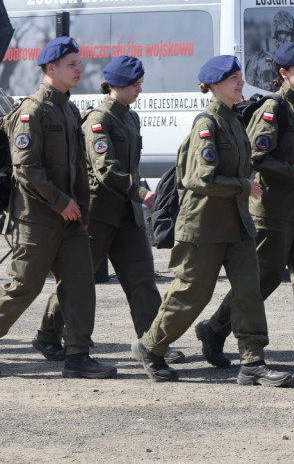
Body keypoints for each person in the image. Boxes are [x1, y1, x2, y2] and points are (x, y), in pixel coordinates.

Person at [131, 55, 292, 387]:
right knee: (192, 293)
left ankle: (253, 362)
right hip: (203, 226)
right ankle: (150, 346)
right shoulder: (208, 124)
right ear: (215, 85)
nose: (240, 82)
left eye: (239, 76)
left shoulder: (234, 120)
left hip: (236, 223)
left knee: (249, 291)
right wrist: (243, 185)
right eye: (233, 78)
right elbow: (199, 179)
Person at [0, 37, 116, 380]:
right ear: (51, 69)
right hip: (37, 218)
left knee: (80, 283)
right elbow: (26, 168)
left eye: (79, 63)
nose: (80, 69)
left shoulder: (68, 108)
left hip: (71, 217)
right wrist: (61, 202)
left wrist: (80, 210)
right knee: (25, 285)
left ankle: (78, 355)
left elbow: (78, 165)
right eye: (72, 64)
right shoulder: (32, 110)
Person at [197, 42, 294, 372]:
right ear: (283, 74)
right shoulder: (272, 109)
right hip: (271, 207)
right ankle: (215, 328)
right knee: (265, 277)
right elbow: (257, 155)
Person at [32, 56, 185, 364]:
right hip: (98, 215)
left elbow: (131, 167)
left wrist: (138, 195)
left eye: (141, 84)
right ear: (115, 86)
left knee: (142, 279)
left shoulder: (130, 117)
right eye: (134, 85)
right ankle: (47, 334)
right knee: (79, 277)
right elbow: (106, 170)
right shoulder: (97, 120)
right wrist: (142, 193)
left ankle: (153, 342)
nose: (139, 90)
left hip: (127, 215)